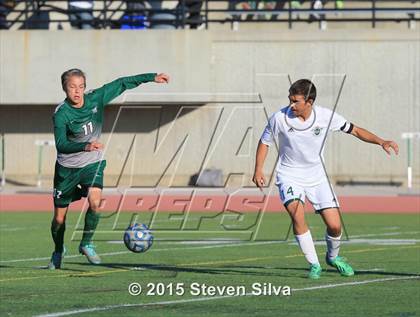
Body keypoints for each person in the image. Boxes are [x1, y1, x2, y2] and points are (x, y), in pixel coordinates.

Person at [252, 79, 399, 279]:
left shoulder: (326, 116)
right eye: (290, 100)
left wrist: (381, 141)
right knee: (297, 214)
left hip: (317, 176)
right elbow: (264, 142)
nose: (291, 105)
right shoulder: (279, 118)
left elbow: (354, 130)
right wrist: (258, 170)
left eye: (296, 101)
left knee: (335, 225)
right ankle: (314, 264)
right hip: (289, 175)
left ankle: (333, 257)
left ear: (309, 101)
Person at [49, 69, 170, 269]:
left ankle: (86, 243)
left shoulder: (95, 99)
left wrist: (151, 77)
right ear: (64, 88)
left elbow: (122, 82)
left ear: (85, 87)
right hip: (67, 170)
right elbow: (61, 144)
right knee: (59, 218)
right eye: (72, 87)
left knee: (96, 202)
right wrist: (85, 145)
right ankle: (58, 250)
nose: (77, 92)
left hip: (92, 164)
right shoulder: (61, 113)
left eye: (81, 86)